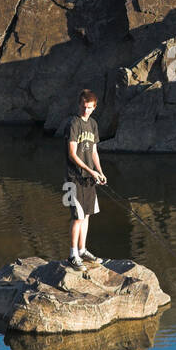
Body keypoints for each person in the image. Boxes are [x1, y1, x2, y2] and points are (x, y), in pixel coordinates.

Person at [64, 87, 106, 267]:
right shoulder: (73, 123)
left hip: (89, 179)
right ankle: (73, 254)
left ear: (94, 107)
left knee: (87, 215)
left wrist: (100, 172)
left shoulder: (93, 124)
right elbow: (72, 154)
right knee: (77, 216)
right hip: (73, 179)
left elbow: (94, 152)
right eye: (83, 106)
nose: (85, 110)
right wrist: (91, 171)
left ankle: (82, 249)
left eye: (89, 107)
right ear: (78, 104)